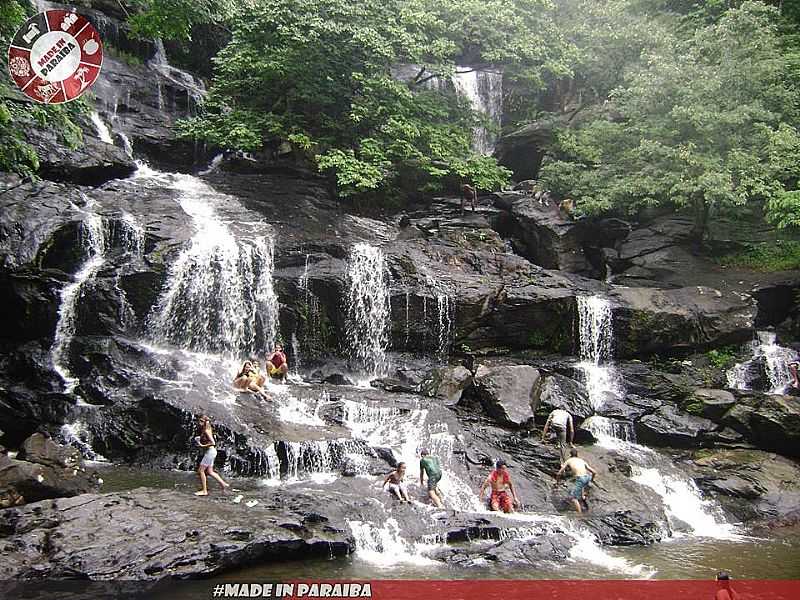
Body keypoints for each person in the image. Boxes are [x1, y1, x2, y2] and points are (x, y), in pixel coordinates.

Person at [194, 415, 230, 496]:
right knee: (210, 471)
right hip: (212, 452)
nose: (199, 423)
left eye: (201, 421)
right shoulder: (206, 429)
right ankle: (223, 484)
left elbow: (213, 443)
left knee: (201, 471)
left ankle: (204, 490)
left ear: (206, 422)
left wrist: (201, 445)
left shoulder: (206, 430)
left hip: (210, 452)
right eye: (199, 421)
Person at [555, 448, 597, 514]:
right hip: (587, 477)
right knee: (581, 486)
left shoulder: (569, 460)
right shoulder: (582, 460)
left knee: (573, 498)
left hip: (580, 479)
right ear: (577, 454)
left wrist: (557, 482)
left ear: (570, 455)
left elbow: (559, 473)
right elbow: (594, 472)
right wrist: (591, 481)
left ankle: (579, 514)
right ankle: (583, 496)